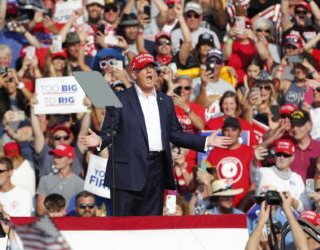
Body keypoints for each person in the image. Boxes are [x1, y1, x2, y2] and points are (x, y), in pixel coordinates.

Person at [79, 52, 232, 216]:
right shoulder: (120, 98)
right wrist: (100, 140)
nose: (150, 72)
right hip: (127, 175)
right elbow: (110, 130)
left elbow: (176, 134)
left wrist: (207, 141)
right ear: (134, 74)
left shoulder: (165, 101)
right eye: (144, 69)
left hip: (156, 173)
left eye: (152, 68)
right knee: (123, 229)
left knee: (152, 228)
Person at [207, 117, 255, 209]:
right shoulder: (214, 153)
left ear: (240, 132)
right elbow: (207, 178)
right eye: (226, 130)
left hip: (244, 207)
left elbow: (255, 183)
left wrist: (243, 206)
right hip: (220, 207)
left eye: (234, 130)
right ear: (223, 132)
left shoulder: (250, 152)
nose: (230, 134)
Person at [252, 139, 310, 212]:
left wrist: (292, 201)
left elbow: (306, 207)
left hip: (287, 220)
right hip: (263, 218)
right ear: (275, 156)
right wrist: (255, 160)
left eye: (286, 155)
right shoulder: (263, 172)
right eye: (279, 154)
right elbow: (253, 173)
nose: (281, 158)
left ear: (292, 158)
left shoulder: (297, 178)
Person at [36, 144, 84, 215]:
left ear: (70, 160)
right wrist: (56, 213)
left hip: (71, 223)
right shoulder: (45, 180)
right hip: (50, 223)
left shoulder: (81, 183)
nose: (55, 159)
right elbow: (40, 209)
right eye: (55, 156)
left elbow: (82, 210)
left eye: (60, 157)